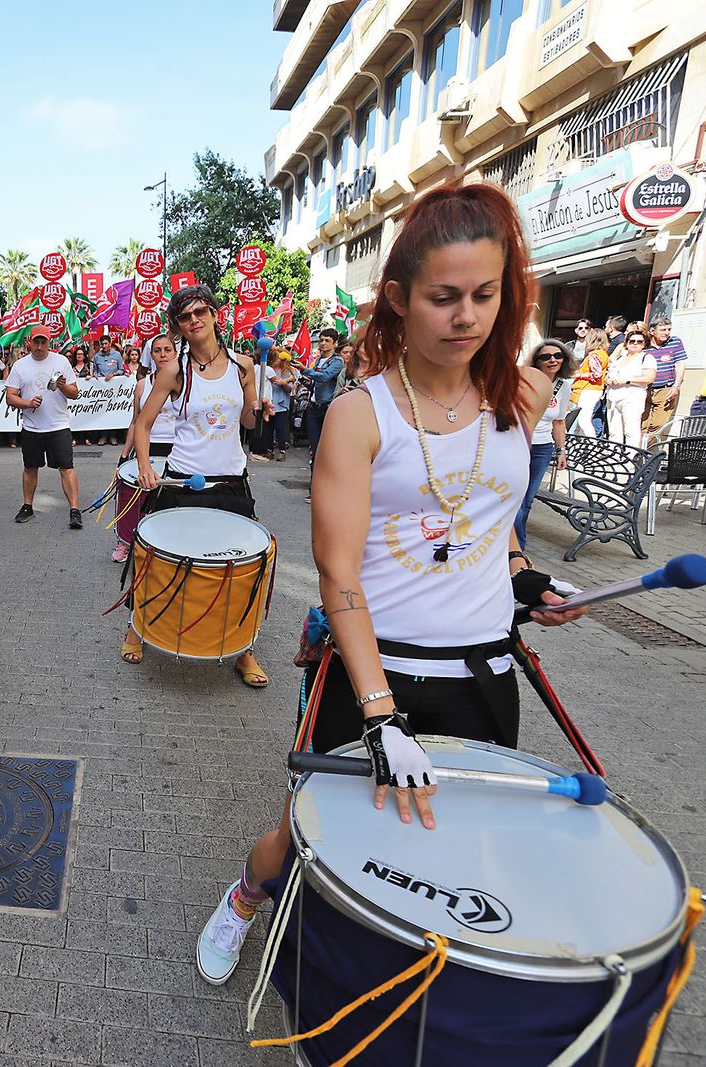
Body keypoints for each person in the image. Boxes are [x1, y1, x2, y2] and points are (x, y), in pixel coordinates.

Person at [193, 183, 588, 988]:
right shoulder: (359, 414)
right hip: (375, 676)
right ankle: (244, 896)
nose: (467, 317)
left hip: (484, 677)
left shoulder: (526, 396)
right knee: (310, 835)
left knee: (448, 855)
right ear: (401, 300)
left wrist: (522, 577)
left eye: (485, 294)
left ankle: (398, 991)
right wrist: (380, 715)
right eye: (444, 298)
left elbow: (490, 519)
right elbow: (338, 574)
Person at [123, 287, 268, 688]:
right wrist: (143, 465)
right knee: (154, 561)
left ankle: (243, 648)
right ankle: (136, 627)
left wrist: (257, 409)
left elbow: (249, 424)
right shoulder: (174, 371)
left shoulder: (243, 366)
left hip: (230, 481)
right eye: (185, 316)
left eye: (200, 311)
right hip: (183, 481)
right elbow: (144, 424)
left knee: (239, 569)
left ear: (215, 314)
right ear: (180, 327)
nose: (194, 320)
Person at [6, 325, 81, 528]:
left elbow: (74, 393)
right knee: (30, 468)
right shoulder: (20, 365)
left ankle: (75, 510)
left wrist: (63, 385)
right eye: (36, 342)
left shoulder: (61, 361)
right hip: (32, 427)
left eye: (43, 342)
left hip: (58, 425)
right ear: (29, 342)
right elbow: (10, 396)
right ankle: (27, 506)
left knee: (67, 468)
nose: (39, 346)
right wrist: (28, 403)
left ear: (50, 342)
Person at [113, 333, 179, 563]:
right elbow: (136, 422)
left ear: (175, 353)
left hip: (175, 451)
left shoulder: (185, 383)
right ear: (150, 355)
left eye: (167, 350)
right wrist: (123, 457)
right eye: (157, 350)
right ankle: (125, 541)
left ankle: (164, 547)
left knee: (168, 502)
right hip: (146, 449)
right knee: (133, 498)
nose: (162, 354)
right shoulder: (142, 385)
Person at [515, 340, 573, 547]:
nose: (552, 360)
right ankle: (516, 548)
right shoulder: (524, 382)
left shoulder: (564, 387)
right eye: (546, 357)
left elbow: (559, 422)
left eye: (558, 356)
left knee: (528, 500)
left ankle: (516, 547)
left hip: (543, 447)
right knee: (515, 499)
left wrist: (561, 451)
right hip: (519, 444)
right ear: (536, 362)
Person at [604, 322, 654, 448]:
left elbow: (649, 377)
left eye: (639, 341)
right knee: (614, 432)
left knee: (631, 431)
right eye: (632, 341)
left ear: (644, 344)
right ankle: (613, 459)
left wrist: (627, 381)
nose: (635, 344)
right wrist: (608, 380)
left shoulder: (647, 358)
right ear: (626, 343)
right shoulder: (620, 357)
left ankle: (630, 462)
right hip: (613, 397)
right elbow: (608, 374)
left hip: (633, 398)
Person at [641, 316, 687, 438]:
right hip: (645, 388)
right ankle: (637, 452)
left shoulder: (674, 342)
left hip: (665, 388)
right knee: (641, 423)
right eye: (662, 330)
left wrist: (676, 386)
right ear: (652, 331)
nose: (666, 333)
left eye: (668, 330)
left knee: (658, 424)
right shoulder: (643, 345)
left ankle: (644, 450)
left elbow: (680, 364)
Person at [303, 329, 344, 464]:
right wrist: (303, 380)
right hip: (313, 406)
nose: (323, 343)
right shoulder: (318, 360)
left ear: (335, 344)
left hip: (327, 406)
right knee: (315, 447)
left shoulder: (337, 361)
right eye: (321, 340)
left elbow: (324, 377)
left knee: (326, 447)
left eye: (327, 340)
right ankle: (314, 481)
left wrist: (304, 369)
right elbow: (314, 385)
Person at [569, 327, 610, 438]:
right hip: (594, 390)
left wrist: (579, 374)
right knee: (583, 419)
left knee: (583, 419)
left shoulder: (594, 355)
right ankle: (581, 446)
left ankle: (592, 443)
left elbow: (596, 374)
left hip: (588, 389)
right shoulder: (604, 354)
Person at [266, 348, 296, 461]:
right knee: (269, 428)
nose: (275, 359)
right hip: (269, 402)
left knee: (280, 428)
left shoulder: (287, 372)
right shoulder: (268, 369)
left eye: (277, 357)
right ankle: (269, 450)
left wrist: (283, 382)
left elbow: (289, 390)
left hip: (281, 404)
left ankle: (282, 451)